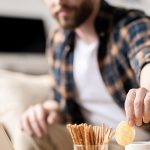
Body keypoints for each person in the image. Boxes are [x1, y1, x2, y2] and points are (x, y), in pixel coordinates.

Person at [19, 0, 150, 150]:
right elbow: (60, 102)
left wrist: (147, 89)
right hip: (89, 143)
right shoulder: (57, 39)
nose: (59, 2)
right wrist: (48, 111)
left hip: (137, 144)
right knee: (30, 133)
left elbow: (146, 54)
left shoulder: (132, 25)